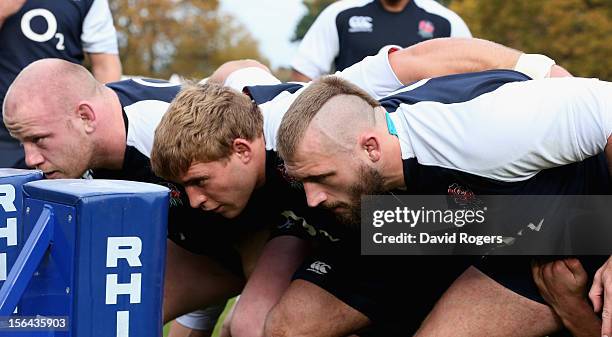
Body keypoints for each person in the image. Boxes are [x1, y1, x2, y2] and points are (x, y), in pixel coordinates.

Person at [150, 38, 570, 336]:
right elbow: (237, 68)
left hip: (449, 221)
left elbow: (415, 60)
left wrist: (541, 71)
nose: (194, 199)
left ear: (244, 149)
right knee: (276, 328)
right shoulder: (219, 161)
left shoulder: (305, 117)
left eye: (199, 181)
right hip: (377, 235)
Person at [275, 71, 612, 336]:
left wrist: (577, 309)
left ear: (371, 148)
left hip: (571, 226)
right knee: (286, 328)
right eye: (303, 181)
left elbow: (607, 108)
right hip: (477, 222)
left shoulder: (483, 128)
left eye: (322, 177)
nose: (312, 198)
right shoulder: (355, 135)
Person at [1, 58, 308, 337]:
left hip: (271, 231)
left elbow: (245, 69)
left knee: (249, 326)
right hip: (202, 242)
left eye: (38, 139)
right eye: (23, 141)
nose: (30, 158)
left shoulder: (162, 130)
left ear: (86, 116)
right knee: (107, 321)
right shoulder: (83, 134)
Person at [0, 0, 122, 169]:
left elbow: (105, 65)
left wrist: (102, 129)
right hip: (4, 135)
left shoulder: (88, 2)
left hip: (61, 134)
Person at [291, 0, 471, 82]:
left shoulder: (446, 21)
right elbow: (304, 73)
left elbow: (472, 79)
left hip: (422, 135)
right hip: (352, 132)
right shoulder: (341, 13)